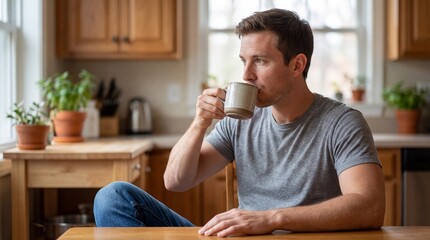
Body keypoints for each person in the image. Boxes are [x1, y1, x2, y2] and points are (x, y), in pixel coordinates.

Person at [93, 8, 385, 237]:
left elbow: (369, 207)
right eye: (243, 60)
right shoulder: (242, 119)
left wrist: (270, 218)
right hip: (239, 238)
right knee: (113, 196)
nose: (246, 75)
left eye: (260, 61)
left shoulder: (342, 123)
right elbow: (176, 181)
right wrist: (199, 123)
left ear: (297, 65)